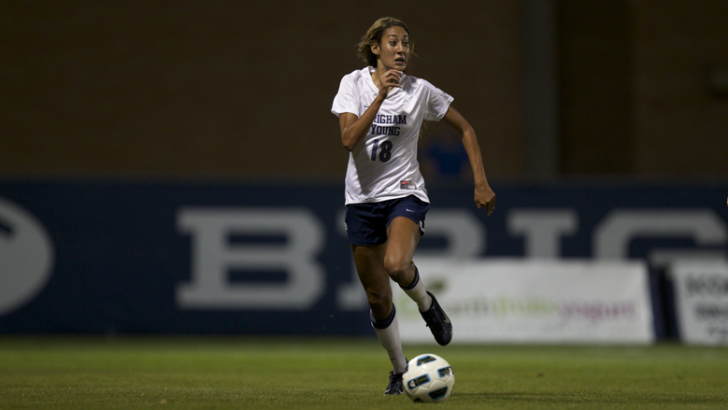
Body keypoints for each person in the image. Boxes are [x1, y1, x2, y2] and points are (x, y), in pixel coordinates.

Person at [331, 17, 496, 395]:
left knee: (396, 264)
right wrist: (380, 97)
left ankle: (426, 304)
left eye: (406, 42)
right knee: (377, 298)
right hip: (362, 200)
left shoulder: (420, 90)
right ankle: (399, 370)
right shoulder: (352, 84)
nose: (402, 49)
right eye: (394, 42)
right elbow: (349, 140)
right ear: (376, 48)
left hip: (405, 192)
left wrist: (481, 181)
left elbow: (466, 129)